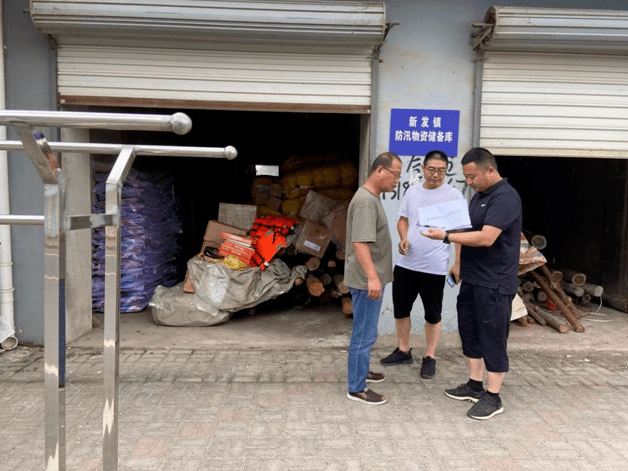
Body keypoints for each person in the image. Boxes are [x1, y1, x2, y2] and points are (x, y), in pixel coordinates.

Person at [422, 147, 522, 420]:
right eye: (465, 177)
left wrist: (445, 237)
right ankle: (475, 385)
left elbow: (487, 237)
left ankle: (493, 396)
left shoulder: (506, 198)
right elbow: (465, 229)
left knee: (492, 337)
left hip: (494, 282)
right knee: (470, 333)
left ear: (490, 170)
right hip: (473, 279)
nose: (469, 182)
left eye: (471, 176)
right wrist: (457, 262)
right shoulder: (480, 196)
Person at [380, 150, 463, 380]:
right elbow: (403, 219)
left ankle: (430, 356)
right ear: (423, 168)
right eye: (432, 169)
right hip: (407, 263)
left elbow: (458, 232)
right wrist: (404, 237)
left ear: (446, 171)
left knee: (433, 314)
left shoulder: (454, 196)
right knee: (401, 309)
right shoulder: (413, 191)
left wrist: (457, 262)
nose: (436, 175)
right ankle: (403, 349)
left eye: (441, 171)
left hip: (434, 266)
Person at [345, 151, 402, 405]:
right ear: (379, 170)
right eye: (395, 174)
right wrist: (373, 278)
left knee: (367, 331)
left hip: (368, 278)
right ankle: (357, 387)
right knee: (364, 334)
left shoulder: (371, 197)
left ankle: (362, 370)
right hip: (366, 281)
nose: (397, 180)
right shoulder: (366, 201)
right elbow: (360, 243)